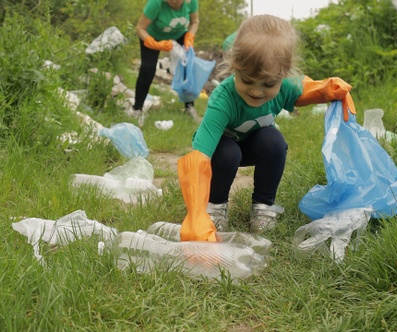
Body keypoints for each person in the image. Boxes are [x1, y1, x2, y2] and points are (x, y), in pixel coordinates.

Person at [177, 14, 357, 242]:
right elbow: (199, 158)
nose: (257, 91)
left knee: (274, 142)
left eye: (269, 84)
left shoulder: (286, 87)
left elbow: (310, 91)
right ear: (235, 68)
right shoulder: (223, 99)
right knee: (228, 152)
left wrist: (332, 90)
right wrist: (196, 212)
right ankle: (215, 206)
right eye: (247, 80)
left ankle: (262, 207)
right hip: (220, 151)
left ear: (284, 75)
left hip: (255, 146)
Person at [132, 0, 200, 122]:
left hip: (179, 34)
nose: (174, 1)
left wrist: (190, 36)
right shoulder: (155, 3)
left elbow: (194, 21)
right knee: (147, 69)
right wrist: (153, 43)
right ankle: (137, 109)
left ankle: (189, 107)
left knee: (188, 66)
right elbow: (140, 28)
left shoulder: (191, 2)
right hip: (152, 35)